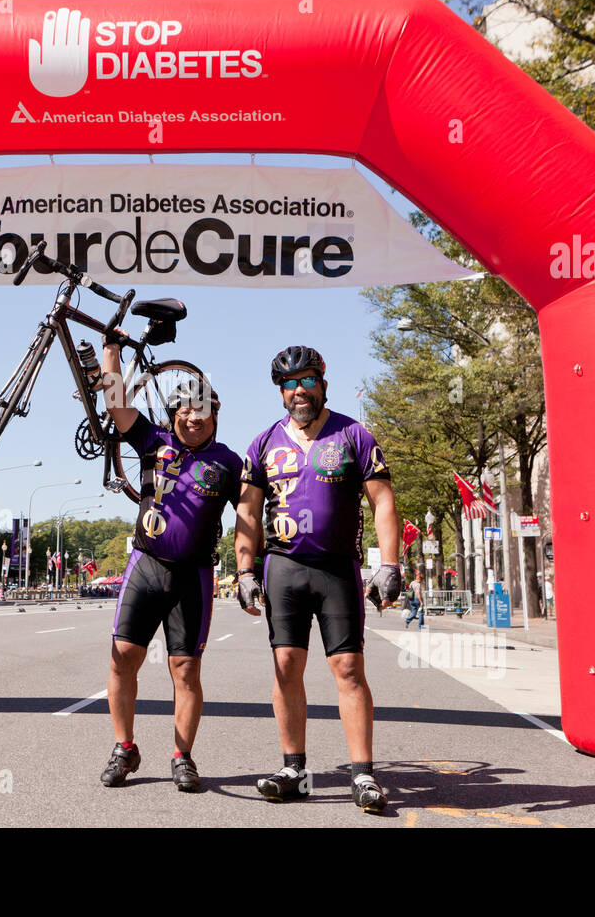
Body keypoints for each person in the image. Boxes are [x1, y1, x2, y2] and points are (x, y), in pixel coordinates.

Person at [235, 345, 402, 814]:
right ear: (280, 393)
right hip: (284, 566)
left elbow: (382, 501)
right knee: (286, 664)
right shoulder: (264, 443)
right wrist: (244, 570)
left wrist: (389, 564)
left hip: (336, 568)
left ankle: (364, 774)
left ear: (322, 382)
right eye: (288, 384)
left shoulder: (353, 435)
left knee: (347, 669)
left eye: (306, 380)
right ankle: (294, 769)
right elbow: (248, 512)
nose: (298, 391)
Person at [96, 330, 242, 793]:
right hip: (146, 565)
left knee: (185, 670)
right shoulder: (152, 440)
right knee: (122, 658)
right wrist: (113, 350)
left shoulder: (230, 462)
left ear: (215, 415)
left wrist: (254, 569)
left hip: (194, 576)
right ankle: (125, 748)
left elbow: (254, 516)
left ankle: (182, 756)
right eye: (185, 410)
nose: (193, 418)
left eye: (202, 411)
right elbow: (116, 400)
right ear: (174, 414)